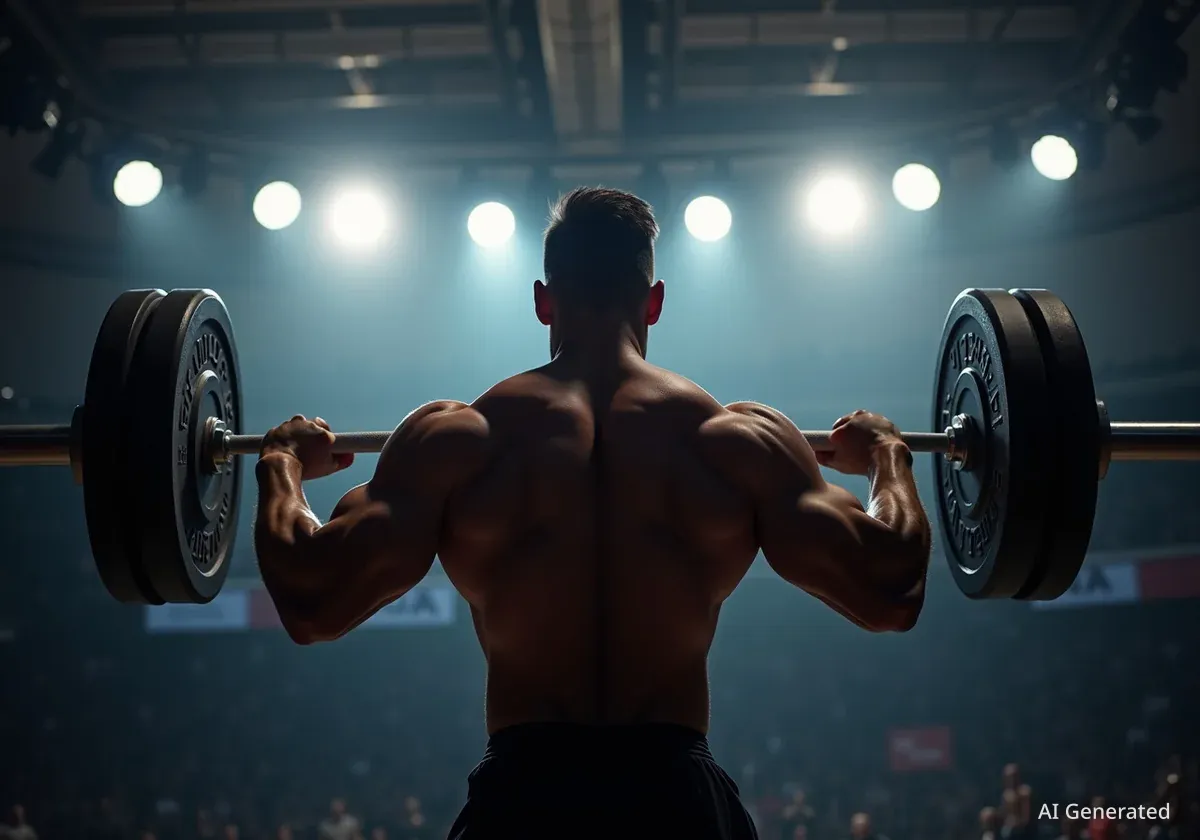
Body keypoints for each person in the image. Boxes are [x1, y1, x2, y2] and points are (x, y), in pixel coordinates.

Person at [255, 187, 931, 839]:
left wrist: (281, 463)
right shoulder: (734, 442)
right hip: (673, 800)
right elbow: (889, 592)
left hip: (525, 799)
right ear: (656, 302)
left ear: (544, 302)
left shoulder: (460, 440)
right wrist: (886, 457)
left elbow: (315, 604)